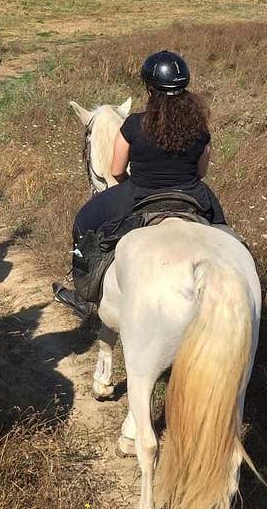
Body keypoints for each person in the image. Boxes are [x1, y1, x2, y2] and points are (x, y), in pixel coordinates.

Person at [53, 50, 227, 318]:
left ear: (149, 89)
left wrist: (126, 185)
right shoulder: (200, 127)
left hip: (139, 192)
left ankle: (83, 294)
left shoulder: (134, 124)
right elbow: (201, 171)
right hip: (192, 192)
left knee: (84, 220)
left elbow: (116, 169)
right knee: (226, 234)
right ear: (184, 89)